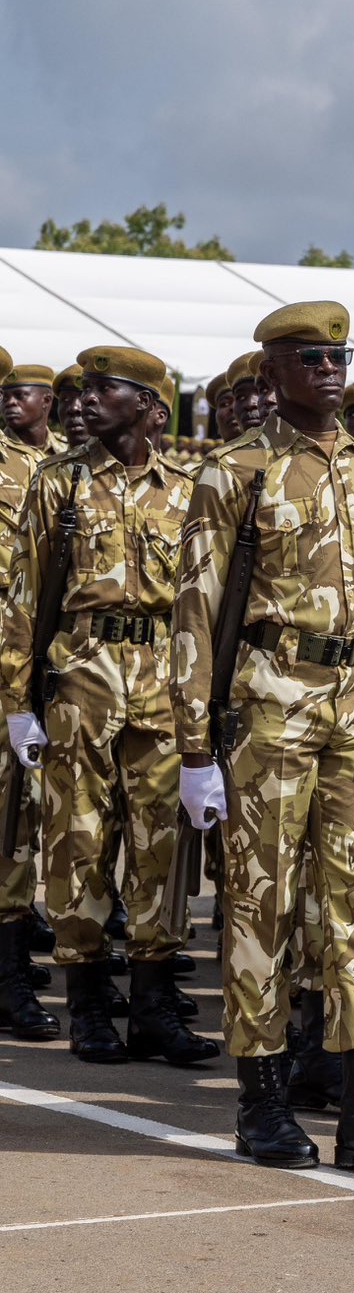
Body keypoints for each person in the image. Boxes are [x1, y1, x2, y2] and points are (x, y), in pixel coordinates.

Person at [171, 303, 354, 1170]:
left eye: (337, 356)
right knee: (263, 901)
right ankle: (264, 1101)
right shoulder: (235, 470)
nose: (327, 369)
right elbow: (197, 610)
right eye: (307, 358)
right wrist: (195, 748)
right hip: (271, 699)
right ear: (271, 374)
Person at [3, 347, 215, 1070]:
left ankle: (154, 1008)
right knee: (79, 844)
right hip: (82, 679)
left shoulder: (188, 487)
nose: (86, 400)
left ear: (149, 406)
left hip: (161, 679)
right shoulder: (58, 482)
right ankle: (90, 1008)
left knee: (161, 848)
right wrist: (17, 702)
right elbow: (25, 598)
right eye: (84, 389)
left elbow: (201, 608)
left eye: (105, 389)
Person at [0, 348, 60, 1043]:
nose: (13, 404)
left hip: (29, 643)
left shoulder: (61, 466)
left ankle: (11, 976)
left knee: (18, 813)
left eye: (25, 395)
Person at [2, 362, 62, 455]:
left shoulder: (67, 450)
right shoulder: (2, 453)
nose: (10, 402)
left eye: (19, 395)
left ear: (46, 400)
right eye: (4, 398)